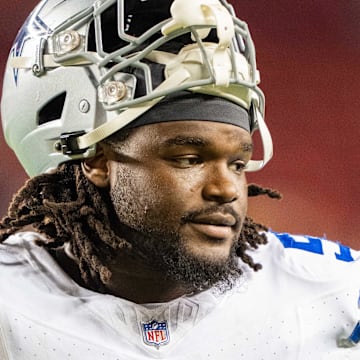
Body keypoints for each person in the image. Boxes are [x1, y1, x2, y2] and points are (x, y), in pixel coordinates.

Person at [0, 0, 359, 358]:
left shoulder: (332, 293)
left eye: (238, 163)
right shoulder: (10, 300)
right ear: (96, 161)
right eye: (189, 159)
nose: (225, 189)